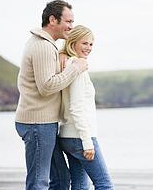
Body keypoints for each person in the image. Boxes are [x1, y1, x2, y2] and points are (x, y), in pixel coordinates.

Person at [15, 0, 88, 190]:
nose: (71, 26)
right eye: (68, 21)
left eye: (73, 22)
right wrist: (76, 68)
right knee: (39, 182)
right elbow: (47, 86)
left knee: (61, 179)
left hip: (42, 123)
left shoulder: (47, 45)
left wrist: (64, 55)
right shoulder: (43, 47)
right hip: (37, 123)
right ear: (53, 20)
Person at [58, 25, 114, 189]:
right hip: (79, 137)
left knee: (80, 185)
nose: (88, 48)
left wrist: (62, 52)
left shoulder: (66, 64)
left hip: (67, 136)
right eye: (84, 43)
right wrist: (87, 142)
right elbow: (76, 107)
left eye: (91, 44)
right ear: (73, 42)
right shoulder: (78, 68)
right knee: (104, 184)